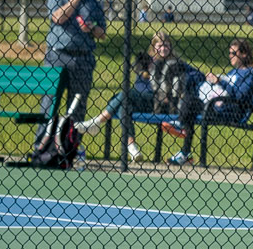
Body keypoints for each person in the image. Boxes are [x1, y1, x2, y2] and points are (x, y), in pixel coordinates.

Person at [74, 30, 191, 161]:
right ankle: (132, 147)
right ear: (153, 47)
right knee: (124, 104)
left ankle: (96, 123)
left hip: (161, 104)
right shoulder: (145, 60)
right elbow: (140, 84)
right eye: (160, 46)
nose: (163, 49)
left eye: (166, 45)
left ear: (170, 46)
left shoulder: (176, 63)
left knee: (124, 95)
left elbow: (193, 74)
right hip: (141, 100)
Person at [162, 39, 253, 165]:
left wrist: (220, 81)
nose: (230, 56)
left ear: (244, 54)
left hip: (232, 110)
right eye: (229, 53)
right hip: (216, 105)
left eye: (233, 53)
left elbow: (240, 96)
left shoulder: (249, 74)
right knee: (190, 99)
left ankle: (181, 131)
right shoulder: (232, 72)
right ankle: (184, 150)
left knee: (190, 107)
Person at [41, 0, 107, 122]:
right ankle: (42, 146)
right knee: (49, 104)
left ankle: (71, 145)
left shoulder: (93, 2)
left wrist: (91, 28)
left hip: (83, 58)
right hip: (58, 56)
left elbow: (103, 33)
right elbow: (57, 18)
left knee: (77, 108)